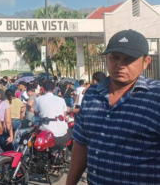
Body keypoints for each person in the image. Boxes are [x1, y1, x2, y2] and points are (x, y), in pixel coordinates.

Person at [67, 30, 160, 185]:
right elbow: (81, 144)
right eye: (114, 58)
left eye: (129, 59)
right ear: (106, 59)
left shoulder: (155, 97)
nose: (120, 65)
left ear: (146, 61)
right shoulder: (92, 94)